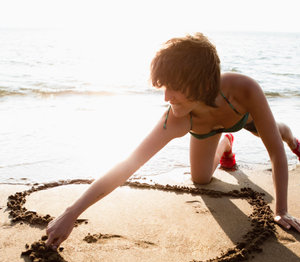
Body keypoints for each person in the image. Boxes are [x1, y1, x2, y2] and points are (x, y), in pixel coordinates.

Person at [46, 33, 300, 249]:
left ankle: (292, 137)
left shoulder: (243, 88)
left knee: (275, 134)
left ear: (203, 83)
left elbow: (276, 153)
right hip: (206, 129)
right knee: (200, 179)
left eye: (174, 87)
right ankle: (225, 144)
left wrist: (280, 210)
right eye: (163, 87)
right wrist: (71, 213)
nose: (166, 96)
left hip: (242, 117)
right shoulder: (176, 120)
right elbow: (127, 165)